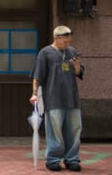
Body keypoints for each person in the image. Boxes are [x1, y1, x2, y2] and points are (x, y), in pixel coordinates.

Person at [31, 25, 85, 172]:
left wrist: (77, 65)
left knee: (74, 129)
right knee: (55, 131)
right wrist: (34, 93)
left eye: (69, 41)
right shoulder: (45, 53)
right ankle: (53, 160)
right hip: (53, 98)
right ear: (57, 38)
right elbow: (37, 76)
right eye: (65, 42)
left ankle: (72, 159)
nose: (68, 44)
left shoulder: (72, 51)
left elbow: (78, 73)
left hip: (72, 98)